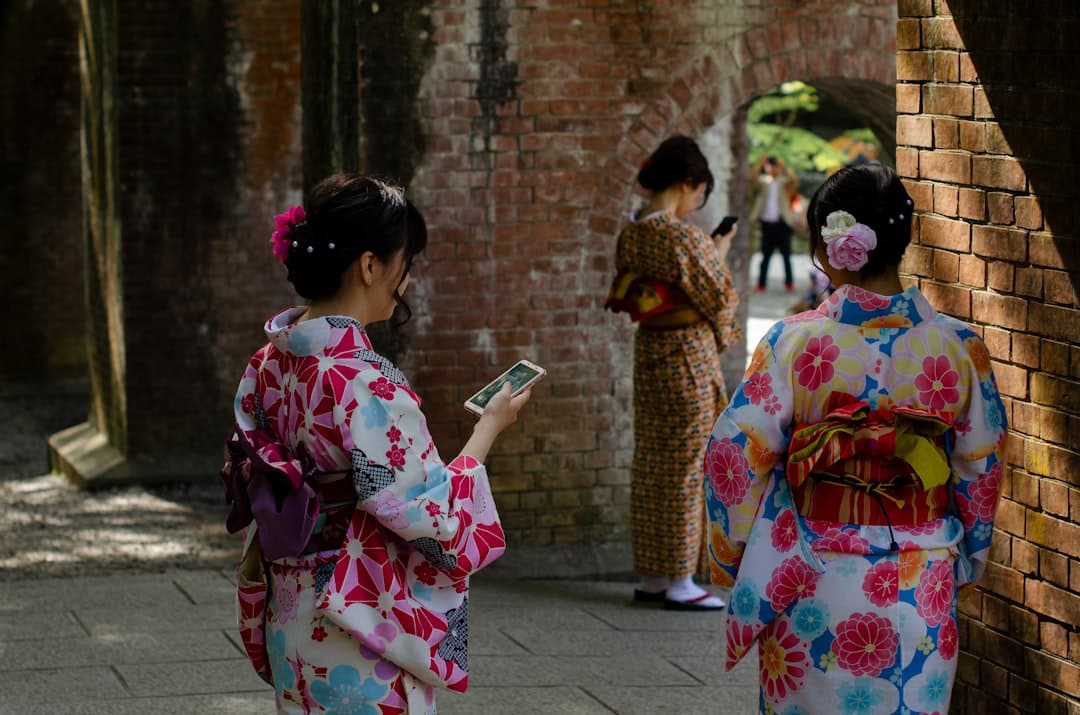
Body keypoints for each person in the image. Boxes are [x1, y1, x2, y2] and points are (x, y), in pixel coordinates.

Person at [221, 174, 531, 714]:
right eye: (403, 264)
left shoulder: (267, 364)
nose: (406, 280)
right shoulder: (363, 381)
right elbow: (433, 517)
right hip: (355, 618)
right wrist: (488, 430)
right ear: (369, 266)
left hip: (290, 609)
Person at [704, 163, 1007, 713]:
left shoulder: (793, 344)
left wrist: (737, 557)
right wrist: (965, 558)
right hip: (923, 578)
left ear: (829, 247)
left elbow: (734, 453)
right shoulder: (961, 349)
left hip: (812, 576)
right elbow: (980, 468)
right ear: (902, 240)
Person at [605, 135, 740, 611]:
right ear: (687, 185)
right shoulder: (682, 237)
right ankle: (682, 579)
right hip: (686, 356)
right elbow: (718, 296)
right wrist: (717, 255)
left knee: (653, 463)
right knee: (686, 465)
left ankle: (654, 575)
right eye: (698, 194)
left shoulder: (633, 232)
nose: (697, 203)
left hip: (651, 354)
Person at [749, 155, 800, 292]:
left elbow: (794, 180)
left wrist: (783, 166)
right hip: (767, 225)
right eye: (770, 165)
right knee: (765, 257)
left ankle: (789, 283)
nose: (772, 168)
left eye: (774, 166)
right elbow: (751, 180)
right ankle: (761, 284)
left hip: (782, 223)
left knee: (786, 256)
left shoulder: (783, 182)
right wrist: (760, 164)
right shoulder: (762, 181)